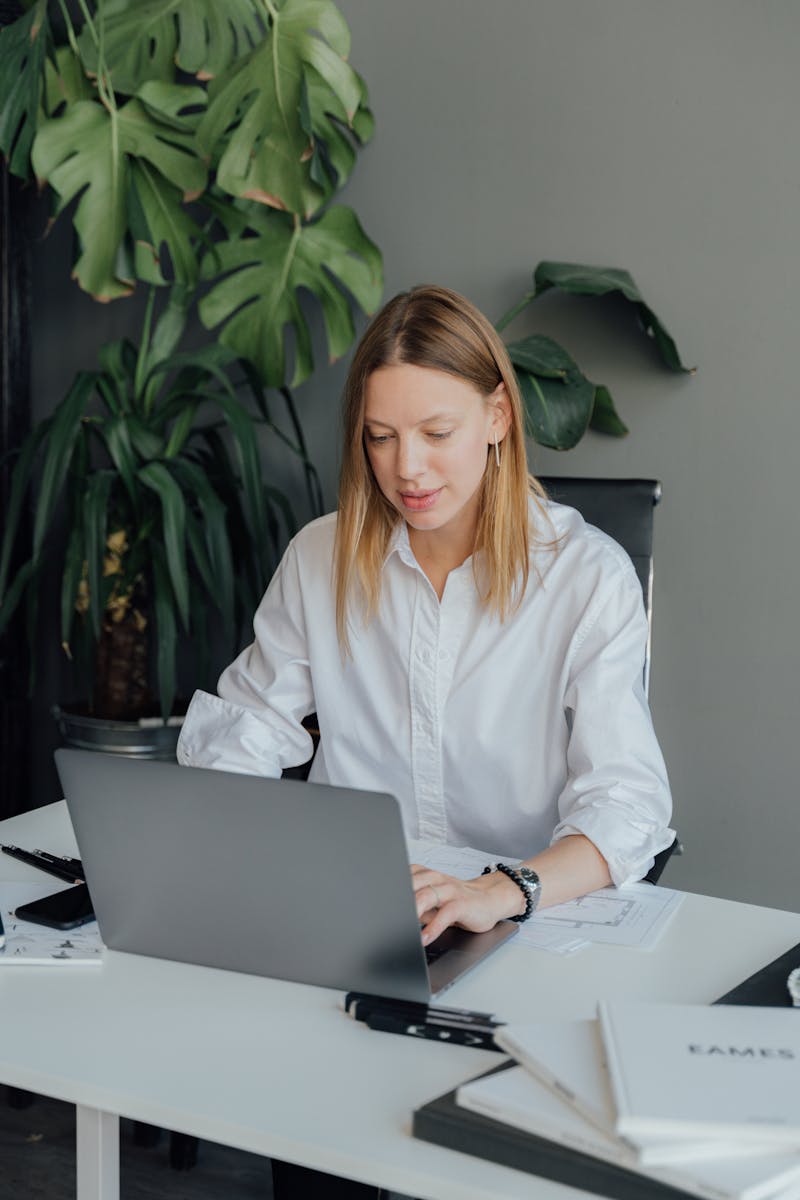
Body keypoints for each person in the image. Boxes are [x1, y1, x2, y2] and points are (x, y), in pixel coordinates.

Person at [177, 283, 673, 1199]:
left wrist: (505, 887)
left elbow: (629, 804)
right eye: (380, 435)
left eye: (436, 432)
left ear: (495, 416)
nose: (407, 468)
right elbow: (245, 731)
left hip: (515, 932)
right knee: (322, 1155)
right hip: (350, 926)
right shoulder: (322, 557)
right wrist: (229, 831)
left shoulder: (586, 578)